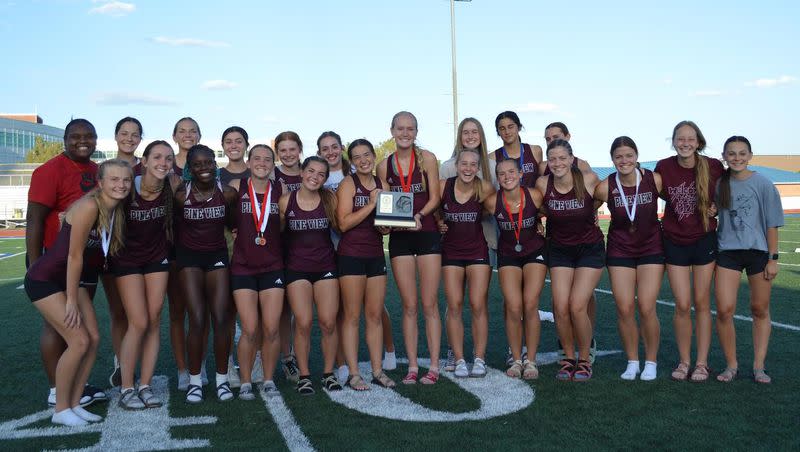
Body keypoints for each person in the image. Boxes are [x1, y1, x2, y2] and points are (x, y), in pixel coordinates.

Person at [25, 159, 132, 425]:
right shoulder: (89, 206)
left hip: (69, 280)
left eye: (126, 180)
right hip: (45, 280)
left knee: (93, 338)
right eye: (114, 180)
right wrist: (72, 299)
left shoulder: (113, 209)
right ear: (101, 183)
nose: (121, 185)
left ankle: (74, 402)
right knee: (79, 341)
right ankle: (61, 409)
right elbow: (73, 257)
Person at [26, 118, 106, 408]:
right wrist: (35, 264)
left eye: (89, 136)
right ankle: (54, 390)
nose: (82, 141)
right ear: (65, 139)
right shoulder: (49, 170)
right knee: (56, 326)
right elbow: (34, 220)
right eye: (75, 136)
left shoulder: (99, 171)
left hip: (86, 260)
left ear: (96, 139)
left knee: (77, 324)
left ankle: (74, 384)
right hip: (55, 260)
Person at [655, 121, 724, 382]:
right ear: (673, 141)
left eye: (690, 139)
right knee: (682, 304)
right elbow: (658, 193)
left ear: (699, 142)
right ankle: (684, 361)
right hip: (674, 240)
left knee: (702, 302)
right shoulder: (663, 166)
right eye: (680, 139)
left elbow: (725, 193)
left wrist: (716, 207)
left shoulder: (713, 166)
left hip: (704, 239)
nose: (685, 143)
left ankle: (702, 363)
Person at [113, 141, 181, 409]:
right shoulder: (129, 184)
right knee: (138, 322)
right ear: (144, 159)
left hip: (156, 257)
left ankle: (145, 385)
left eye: (168, 158)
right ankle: (126, 388)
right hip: (126, 259)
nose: (163, 162)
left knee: (154, 320)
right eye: (157, 157)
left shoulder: (172, 185)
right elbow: (99, 202)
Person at [377, 111, 442, 385]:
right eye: (400, 128)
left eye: (411, 128)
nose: (405, 133)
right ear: (392, 130)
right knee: (409, 305)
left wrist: (419, 215)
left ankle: (435, 365)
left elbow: (435, 197)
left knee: (429, 304)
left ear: (416, 131)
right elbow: (387, 203)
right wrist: (389, 223)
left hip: (426, 233)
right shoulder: (384, 165)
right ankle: (413, 366)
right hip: (401, 238)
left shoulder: (426, 158)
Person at [714, 136, 783, 384]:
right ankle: (731, 366)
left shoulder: (763, 184)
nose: (737, 158)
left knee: (759, 309)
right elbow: (712, 210)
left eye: (742, 153)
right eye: (731, 153)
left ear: (750, 155)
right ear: (724, 156)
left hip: (758, 253)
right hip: (727, 253)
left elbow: (772, 223)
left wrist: (773, 258)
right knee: (724, 309)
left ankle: (759, 367)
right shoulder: (719, 184)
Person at [594, 137, 664, 381]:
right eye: (618, 157)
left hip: (651, 248)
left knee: (646, 306)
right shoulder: (606, 186)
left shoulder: (653, 179)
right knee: (624, 308)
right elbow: (586, 210)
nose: (624, 161)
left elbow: (675, 201)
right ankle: (633, 361)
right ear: (612, 159)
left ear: (636, 156)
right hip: (620, 249)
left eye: (628, 155)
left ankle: (651, 361)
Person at [174, 145, 238, 403]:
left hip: (217, 257)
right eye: (197, 164)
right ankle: (194, 380)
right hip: (189, 259)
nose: (204, 168)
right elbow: (175, 227)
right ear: (190, 167)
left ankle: (222, 379)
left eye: (208, 163)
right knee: (197, 319)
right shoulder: (181, 195)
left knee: (221, 317)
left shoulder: (229, 193)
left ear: (215, 163)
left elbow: (232, 225)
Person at [537, 139, 604, 381]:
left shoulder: (588, 179)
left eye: (562, 158)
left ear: (572, 159)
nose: (557, 163)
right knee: (561, 307)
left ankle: (585, 358)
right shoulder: (543, 183)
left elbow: (599, 199)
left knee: (577, 305)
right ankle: (567, 357)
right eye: (552, 159)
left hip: (589, 248)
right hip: (559, 249)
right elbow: (539, 209)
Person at [439, 117, 500, 371]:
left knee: (478, 303)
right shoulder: (445, 177)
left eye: (472, 164)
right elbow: (431, 205)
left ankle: (479, 357)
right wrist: (437, 221)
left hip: (480, 245)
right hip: (451, 249)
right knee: (453, 304)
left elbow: (501, 207)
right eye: (463, 164)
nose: (467, 167)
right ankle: (457, 355)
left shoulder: (487, 184)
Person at [336, 139, 395, 390]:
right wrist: (371, 204)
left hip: (374, 255)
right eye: (357, 156)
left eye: (367, 155)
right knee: (352, 316)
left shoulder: (384, 184)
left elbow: (386, 225)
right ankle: (353, 373)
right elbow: (344, 223)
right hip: (351, 255)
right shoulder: (348, 184)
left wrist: (386, 224)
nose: (363, 160)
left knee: (374, 315)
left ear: (373, 156)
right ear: (352, 160)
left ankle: (377, 371)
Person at [280, 156, 342, 394]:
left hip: (325, 266)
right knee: (303, 323)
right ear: (302, 172)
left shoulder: (329, 200)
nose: (314, 177)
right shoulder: (286, 201)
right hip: (297, 268)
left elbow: (343, 226)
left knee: (327, 322)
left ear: (325, 179)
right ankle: (305, 375)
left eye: (320, 174)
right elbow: (277, 233)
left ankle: (328, 373)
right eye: (311, 171)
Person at [229, 144, 286, 399]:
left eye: (267, 159)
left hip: (273, 265)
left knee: (272, 328)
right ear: (249, 162)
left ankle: (269, 378)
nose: (262, 162)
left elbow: (285, 226)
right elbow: (226, 221)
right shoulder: (235, 189)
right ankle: (244, 382)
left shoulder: (281, 192)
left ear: (273, 165)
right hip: (243, 266)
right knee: (250, 328)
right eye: (257, 158)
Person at [484, 158, 547, 379]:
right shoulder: (492, 202)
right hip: (508, 254)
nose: (507, 176)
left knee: (530, 303)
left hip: (534, 251)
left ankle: (531, 360)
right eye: (501, 173)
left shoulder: (535, 195)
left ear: (521, 174)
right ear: (497, 178)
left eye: (511, 172)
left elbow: (551, 212)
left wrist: (540, 219)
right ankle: (516, 358)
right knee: (512, 305)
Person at [106, 116, 144, 388]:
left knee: (144, 316)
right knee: (119, 312)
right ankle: (121, 364)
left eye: (134, 134)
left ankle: (135, 365)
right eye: (124, 133)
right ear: (116, 136)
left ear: (140, 139)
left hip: (146, 250)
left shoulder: (147, 169)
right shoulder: (104, 169)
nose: (129, 138)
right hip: (114, 250)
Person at [168, 117, 204, 390]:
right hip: (173, 248)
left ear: (200, 135)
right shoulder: (166, 167)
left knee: (202, 313)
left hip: (204, 248)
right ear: (174, 135)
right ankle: (183, 369)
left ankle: (199, 365)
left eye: (193, 130)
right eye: (183, 131)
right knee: (178, 312)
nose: (188, 135)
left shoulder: (208, 167)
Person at [272, 131, 303, 383]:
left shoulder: (311, 172)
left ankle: (300, 355)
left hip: (308, 248)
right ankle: (286, 357)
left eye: (292, 149)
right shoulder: (272, 175)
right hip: (278, 247)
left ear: (300, 150)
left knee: (301, 309)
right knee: (282, 308)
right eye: (283, 150)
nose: (288, 154)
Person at [490, 111, 542, 187]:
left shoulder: (535, 151)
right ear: (498, 132)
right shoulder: (492, 158)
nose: (507, 132)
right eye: (502, 128)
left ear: (519, 127)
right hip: (506, 198)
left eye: (510, 127)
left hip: (532, 198)